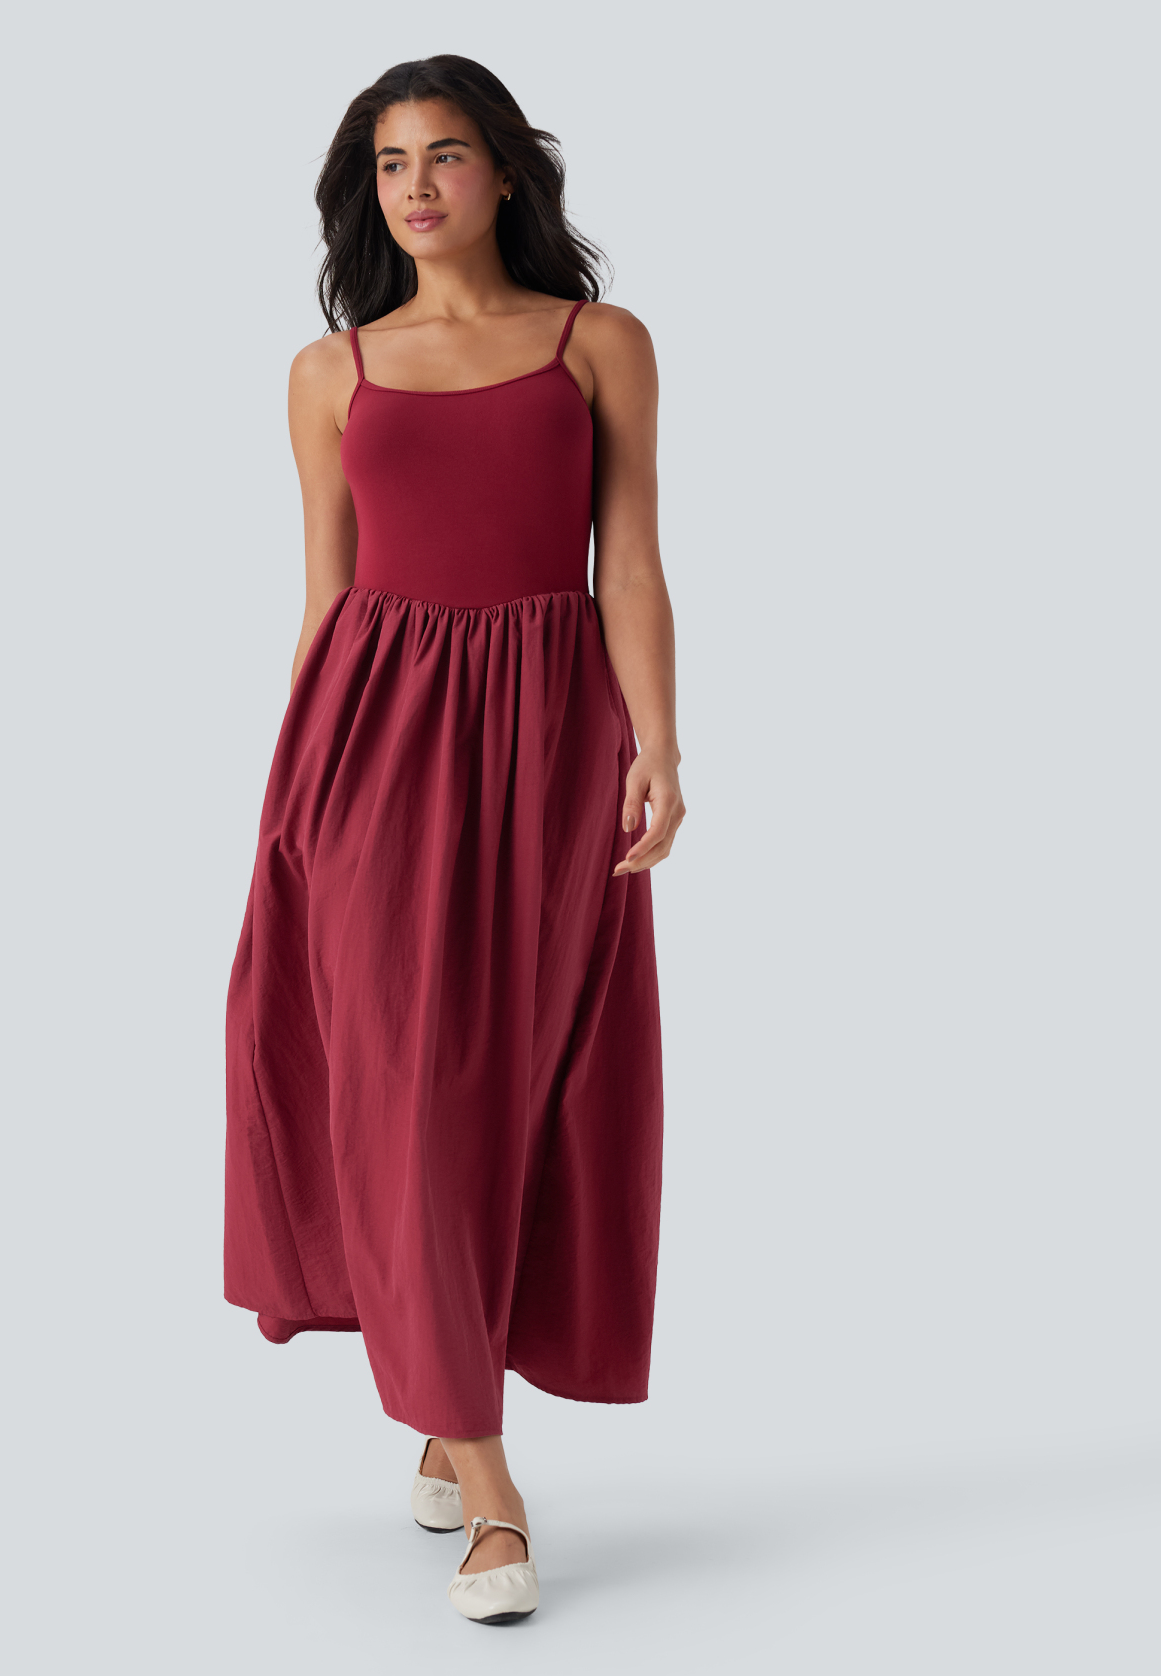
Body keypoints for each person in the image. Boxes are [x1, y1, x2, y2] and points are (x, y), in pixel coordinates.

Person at [223, 54, 683, 1624]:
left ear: (504, 174)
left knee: (521, 1084)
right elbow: (326, 594)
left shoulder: (595, 343)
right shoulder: (329, 372)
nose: (415, 185)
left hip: (552, 742)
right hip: (368, 749)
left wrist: (657, 746)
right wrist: (292, 798)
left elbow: (629, 560)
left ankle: (438, 1404)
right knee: (404, 1089)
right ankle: (489, 1487)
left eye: (446, 154)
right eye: (389, 161)